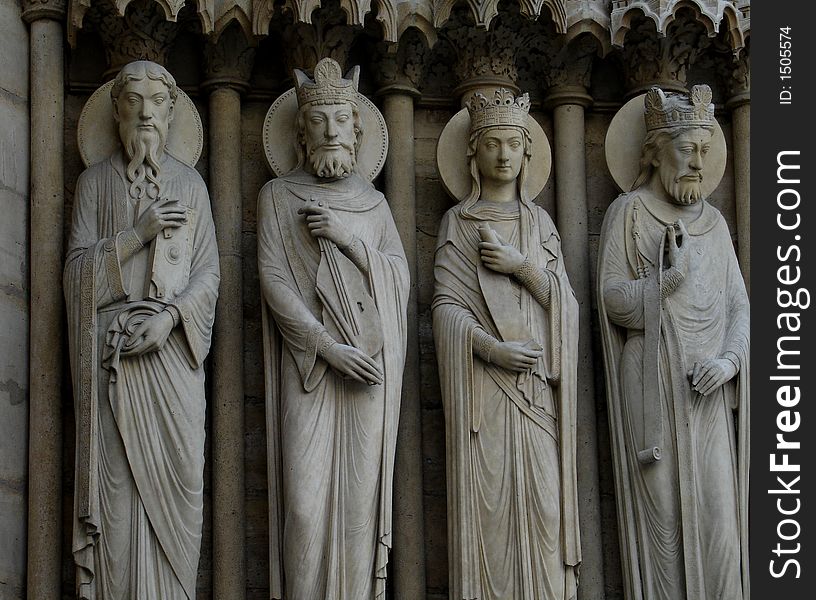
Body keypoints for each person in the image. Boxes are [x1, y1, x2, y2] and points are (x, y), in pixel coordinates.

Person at [65, 61, 220, 599]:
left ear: (172, 111)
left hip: (172, 359)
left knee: (175, 502)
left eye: (156, 101)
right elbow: (76, 277)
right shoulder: (93, 183)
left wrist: (171, 318)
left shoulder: (191, 185)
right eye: (132, 101)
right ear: (116, 111)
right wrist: (136, 235)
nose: (145, 112)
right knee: (120, 503)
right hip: (114, 359)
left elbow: (208, 275)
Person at [257, 57, 409, 599]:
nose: (329, 130)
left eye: (340, 120)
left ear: (356, 128)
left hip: (366, 369)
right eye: (318, 120)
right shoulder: (276, 198)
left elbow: (399, 279)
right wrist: (324, 347)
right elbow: (273, 281)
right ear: (301, 130)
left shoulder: (374, 204)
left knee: (358, 505)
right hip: (312, 369)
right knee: (302, 505)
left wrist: (349, 238)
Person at [597, 84, 749, 600]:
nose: (698, 163)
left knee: (719, 524)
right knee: (661, 528)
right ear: (656, 151)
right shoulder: (630, 213)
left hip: (706, 397)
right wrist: (664, 282)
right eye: (687, 149)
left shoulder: (715, 223)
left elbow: (738, 306)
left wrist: (730, 361)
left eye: (705, 151)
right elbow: (613, 300)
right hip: (652, 387)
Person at [432, 88, 580, 600]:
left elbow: (566, 305)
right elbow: (444, 309)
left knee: (543, 511)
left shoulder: (539, 224)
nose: (503, 155)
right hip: (486, 392)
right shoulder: (458, 223)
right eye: (492, 143)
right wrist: (490, 350)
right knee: (490, 516)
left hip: (538, 394)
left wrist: (521, 267)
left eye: (513, 144)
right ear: (473, 151)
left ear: (527, 152)